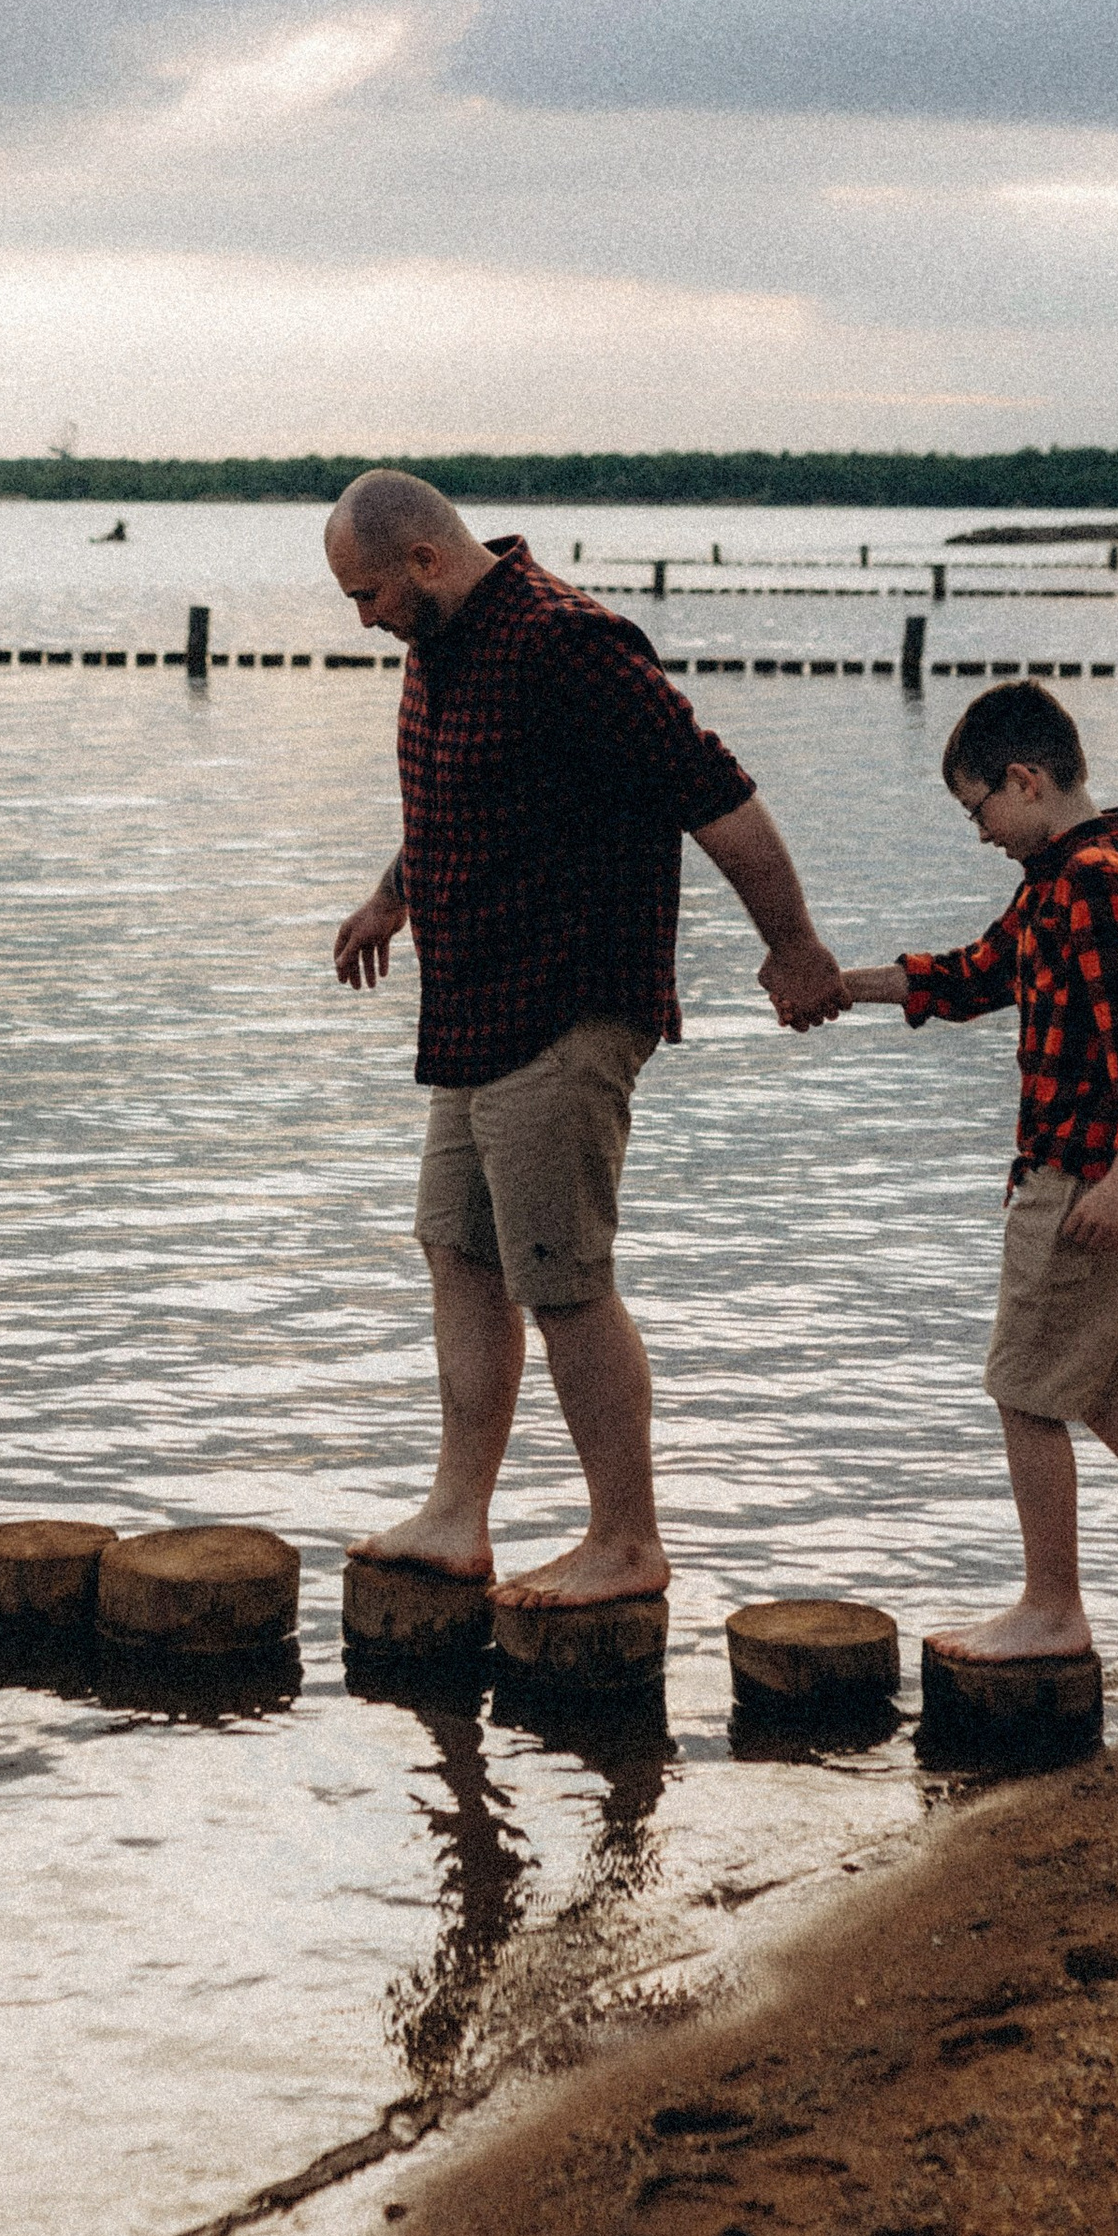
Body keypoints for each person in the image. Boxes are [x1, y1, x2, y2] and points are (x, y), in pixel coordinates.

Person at [326, 472, 845, 1610]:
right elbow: (459, 802)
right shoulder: (444, 644)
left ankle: (626, 1539)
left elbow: (716, 795)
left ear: (421, 559)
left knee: (562, 1282)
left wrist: (793, 947)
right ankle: (458, 1517)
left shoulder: (567, 643)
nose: (360, 620)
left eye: (363, 594)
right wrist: (388, 898)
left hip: (566, 1004)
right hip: (469, 1009)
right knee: (457, 1254)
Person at [838, 678, 1118, 1665]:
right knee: (1112, 1392)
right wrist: (845, 983)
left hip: (1086, 1177)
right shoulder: (1059, 877)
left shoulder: (1096, 882)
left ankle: (1051, 1610)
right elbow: (975, 973)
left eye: (976, 806)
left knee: (1024, 1389)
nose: (977, 830)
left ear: (1024, 780)